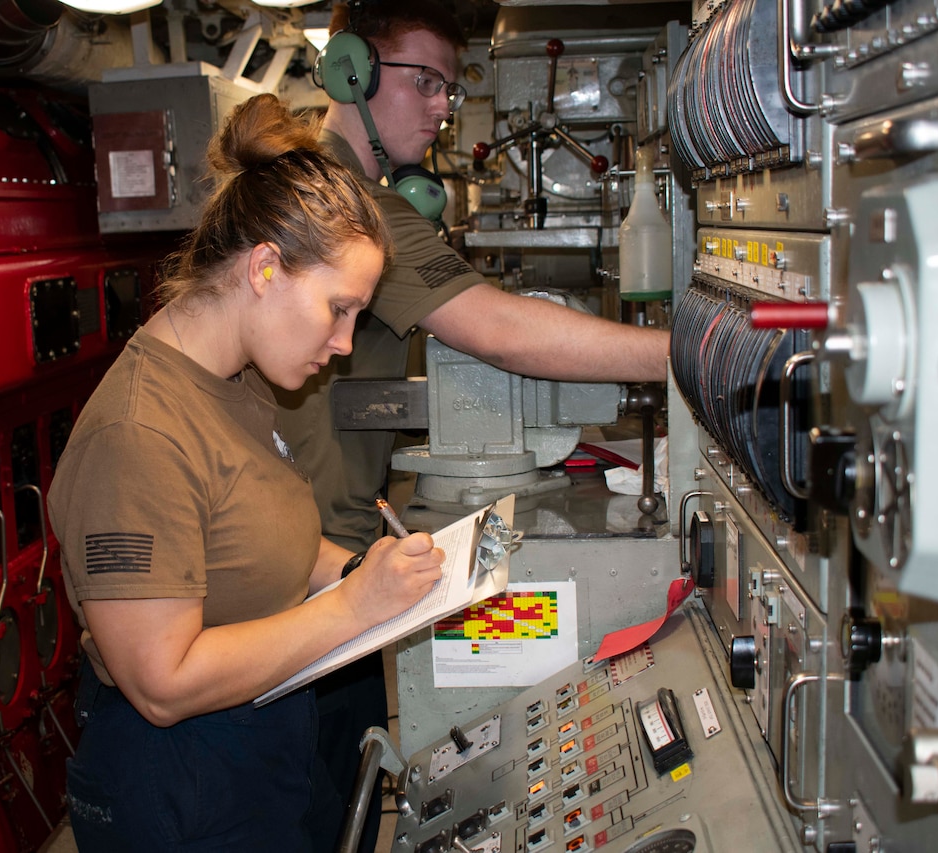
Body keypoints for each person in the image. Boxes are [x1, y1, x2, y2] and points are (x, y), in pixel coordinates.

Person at [271, 1, 675, 848]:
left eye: (448, 91)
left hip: (323, 564)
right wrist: (685, 352)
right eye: (423, 82)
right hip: (295, 585)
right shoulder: (350, 205)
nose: (438, 108)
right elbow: (497, 329)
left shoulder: (317, 183)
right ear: (349, 68)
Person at [46, 93, 446, 853]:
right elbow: (163, 682)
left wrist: (366, 568)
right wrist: (356, 605)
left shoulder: (238, 383)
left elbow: (258, 537)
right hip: (182, 780)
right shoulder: (138, 434)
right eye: (338, 309)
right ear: (264, 268)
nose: (345, 343)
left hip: (263, 743)